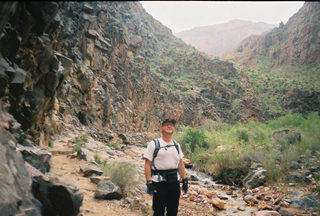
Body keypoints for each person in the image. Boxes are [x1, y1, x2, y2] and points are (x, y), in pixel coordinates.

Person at [144, 118, 188, 216]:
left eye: (171, 125)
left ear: (174, 129)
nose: (169, 126)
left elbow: (180, 164)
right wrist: (149, 182)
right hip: (159, 184)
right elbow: (147, 164)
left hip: (174, 183)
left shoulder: (176, 145)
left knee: (172, 212)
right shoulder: (153, 144)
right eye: (166, 124)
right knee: (158, 212)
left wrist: (185, 181)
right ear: (161, 129)